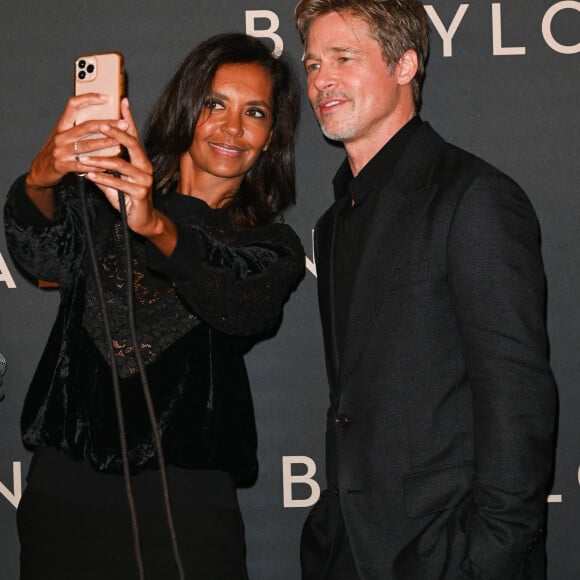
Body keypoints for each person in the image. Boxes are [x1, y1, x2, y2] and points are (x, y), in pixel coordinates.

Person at [4, 33, 304, 580]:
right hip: (62, 501)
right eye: (215, 103)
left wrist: (153, 225)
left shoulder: (269, 246)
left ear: (271, 137)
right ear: (187, 105)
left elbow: (241, 304)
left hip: (187, 520)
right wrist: (42, 177)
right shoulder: (103, 198)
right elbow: (40, 253)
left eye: (254, 112)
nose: (232, 127)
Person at [293, 1, 557, 579]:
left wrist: (487, 560)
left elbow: (518, 402)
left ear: (405, 64)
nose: (321, 80)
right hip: (345, 553)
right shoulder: (335, 223)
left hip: (443, 554)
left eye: (343, 57)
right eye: (312, 63)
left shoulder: (473, 199)